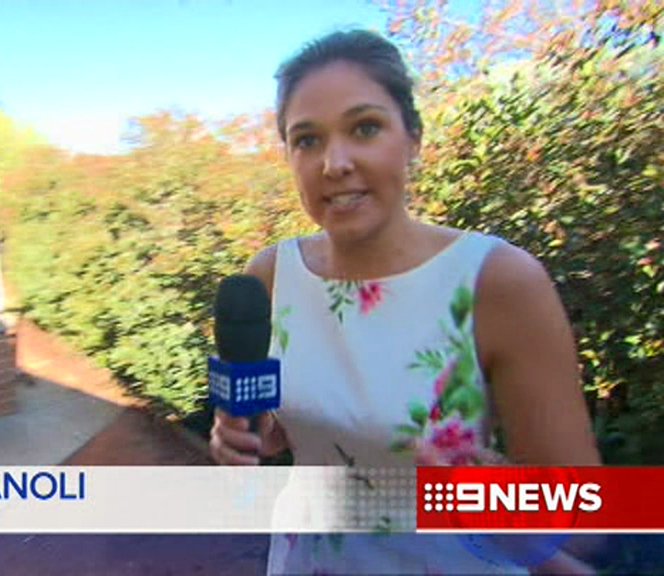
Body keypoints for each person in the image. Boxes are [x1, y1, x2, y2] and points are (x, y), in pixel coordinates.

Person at [208, 30, 602, 574]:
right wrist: (245, 434)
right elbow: (283, 432)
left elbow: (583, 528)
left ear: (413, 138)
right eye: (307, 139)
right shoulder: (271, 274)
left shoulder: (497, 281)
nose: (334, 163)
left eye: (365, 128)